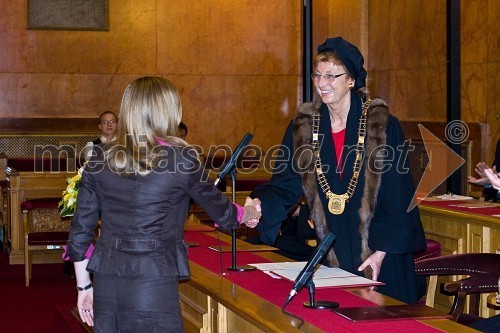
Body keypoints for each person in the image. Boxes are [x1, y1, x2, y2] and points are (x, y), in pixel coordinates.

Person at [66, 76, 261, 332]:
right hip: (153, 282)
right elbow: (224, 215)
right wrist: (250, 211)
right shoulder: (182, 159)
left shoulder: (99, 159)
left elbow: (80, 233)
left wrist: (84, 287)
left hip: (107, 281)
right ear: (169, 111)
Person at [251, 37, 426, 304]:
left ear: (351, 80)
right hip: (332, 250)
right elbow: (285, 183)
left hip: (380, 250)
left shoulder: (381, 125)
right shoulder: (304, 127)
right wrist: (260, 206)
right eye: (318, 75)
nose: (322, 83)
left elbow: (398, 193)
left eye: (332, 76)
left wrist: (382, 251)